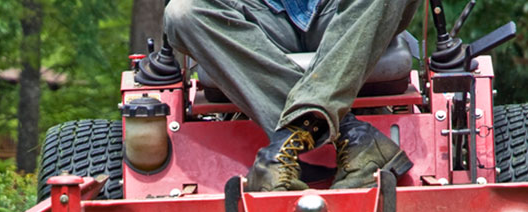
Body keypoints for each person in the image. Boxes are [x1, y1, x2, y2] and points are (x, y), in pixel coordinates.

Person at [163, 0, 420, 192]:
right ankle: (350, 134)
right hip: (256, 16)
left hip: (346, 13)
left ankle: (289, 140)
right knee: (182, 12)